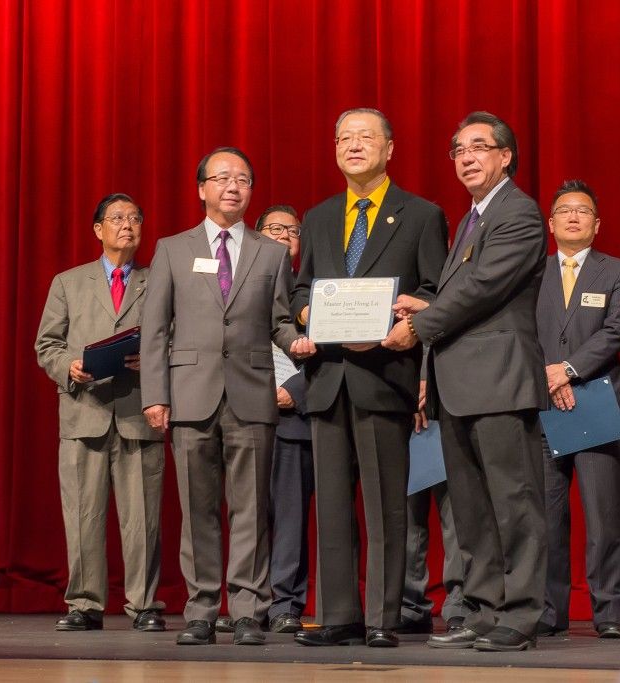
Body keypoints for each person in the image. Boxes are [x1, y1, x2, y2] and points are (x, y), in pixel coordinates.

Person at [383, 111, 549, 652]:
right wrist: (426, 310)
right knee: (473, 507)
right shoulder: (473, 218)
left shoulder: (519, 213)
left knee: (513, 501)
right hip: (458, 383)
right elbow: (465, 293)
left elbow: (484, 287)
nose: (467, 157)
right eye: (458, 149)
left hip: (499, 381)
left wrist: (419, 325)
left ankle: (520, 613)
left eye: (479, 146)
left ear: (506, 156)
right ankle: (483, 607)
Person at [140, 148, 316, 646]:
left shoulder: (271, 252)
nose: (232, 186)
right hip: (190, 394)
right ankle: (200, 610)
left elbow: (279, 320)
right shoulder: (172, 249)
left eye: (242, 179)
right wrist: (155, 394)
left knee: (250, 510)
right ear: (202, 188)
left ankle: (247, 610)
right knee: (198, 511)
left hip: (252, 394)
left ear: (251, 190)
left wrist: (298, 343)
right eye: (222, 178)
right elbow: (155, 329)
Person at [291, 108, 448, 648]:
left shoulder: (421, 215)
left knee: (386, 505)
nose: (353, 145)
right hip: (328, 378)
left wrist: (406, 326)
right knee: (332, 506)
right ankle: (338, 615)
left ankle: (383, 617)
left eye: (365, 137)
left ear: (389, 149)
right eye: (344, 138)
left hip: (385, 375)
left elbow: (435, 291)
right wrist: (308, 314)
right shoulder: (318, 217)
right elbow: (301, 288)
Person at [35, 193, 166, 633]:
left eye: (135, 218)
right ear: (98, 229)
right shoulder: (68, 282)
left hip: (139, 412)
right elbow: (47, 344)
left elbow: (177, 337)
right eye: (117, 218)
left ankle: (144, 604)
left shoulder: (158, 280)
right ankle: (85, 604)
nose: (127, 225)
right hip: (83, 412)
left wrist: (154, 359)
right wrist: (68, 367)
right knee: (82, 514)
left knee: (142, 518)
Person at [535, 179, 620, 640]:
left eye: (582, 211)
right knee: (546, 520)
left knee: (603, 518)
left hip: (594, 402)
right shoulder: (531, 273)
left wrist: (568, 369)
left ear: (597, 224)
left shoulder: (618, 272)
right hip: (542, 405)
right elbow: (519, 330)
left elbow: (616, 331)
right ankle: (548, 612)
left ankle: (609, 611)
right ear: (551, 223)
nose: (573, 216)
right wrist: (546, 374)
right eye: (564, 210)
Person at [258, 205, 314, 634]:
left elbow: (334, 349)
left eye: (291, 231)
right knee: (248, 516)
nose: (282, 236)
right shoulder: (238, 285)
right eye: (273, 228)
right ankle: (249, 601)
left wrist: (296, 390)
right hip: (244, 414)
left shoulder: (312, 291)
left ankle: (284, 604)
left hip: (296, 417)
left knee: (291, 516)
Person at [396, 383, 467, 634]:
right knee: (408, 518)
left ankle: (459, 603)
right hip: (403, 411)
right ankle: (410, 605)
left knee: (455, 517)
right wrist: (410, 393)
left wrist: (428, 384)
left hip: (449, 407)